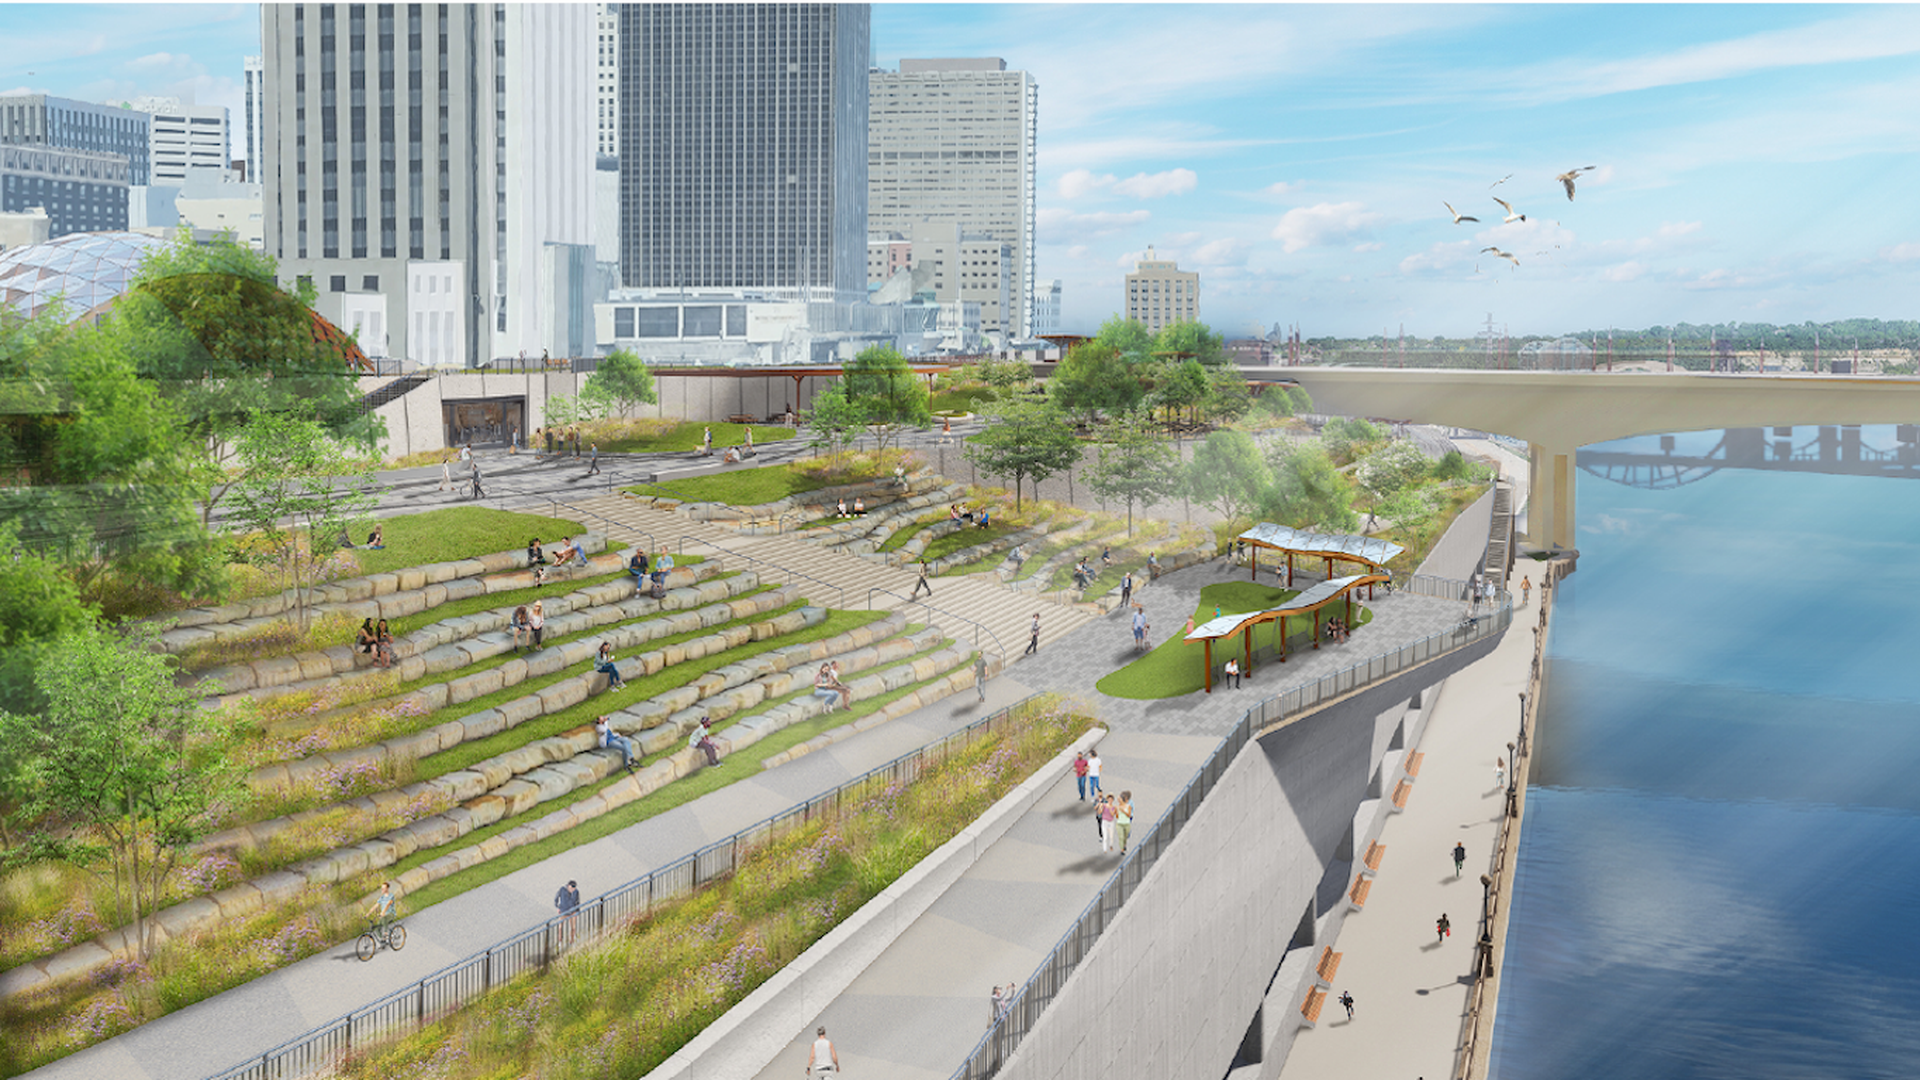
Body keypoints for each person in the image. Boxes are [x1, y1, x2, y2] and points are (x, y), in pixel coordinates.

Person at [554, 879, 580, 945]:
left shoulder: (576, 892)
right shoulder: (562, 890)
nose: (572, 890)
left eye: (573, 889)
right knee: (560, 927)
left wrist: (577, 911)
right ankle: (560, 941)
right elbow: (556, 898)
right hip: (564, 910)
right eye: (571, 888)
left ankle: (572, 940)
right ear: (568, 886)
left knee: (573, 927)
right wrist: (558, 907)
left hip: (572, 911)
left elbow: (577, 902)